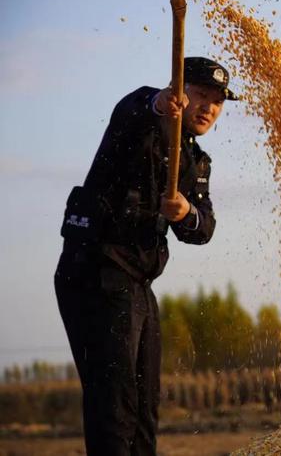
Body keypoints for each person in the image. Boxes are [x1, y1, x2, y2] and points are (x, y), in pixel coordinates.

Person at [54, 57, 236, 456]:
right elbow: (138, 111)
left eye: (218, 101)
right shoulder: (140, 115)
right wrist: (159, 104)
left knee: (144, 408)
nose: (209, 107)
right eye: (200, 94)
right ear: (179, 91)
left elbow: (204, 227)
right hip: (96, 273)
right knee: (114, 405)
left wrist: (186, 213)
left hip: (137, 282)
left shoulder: (194, 160)